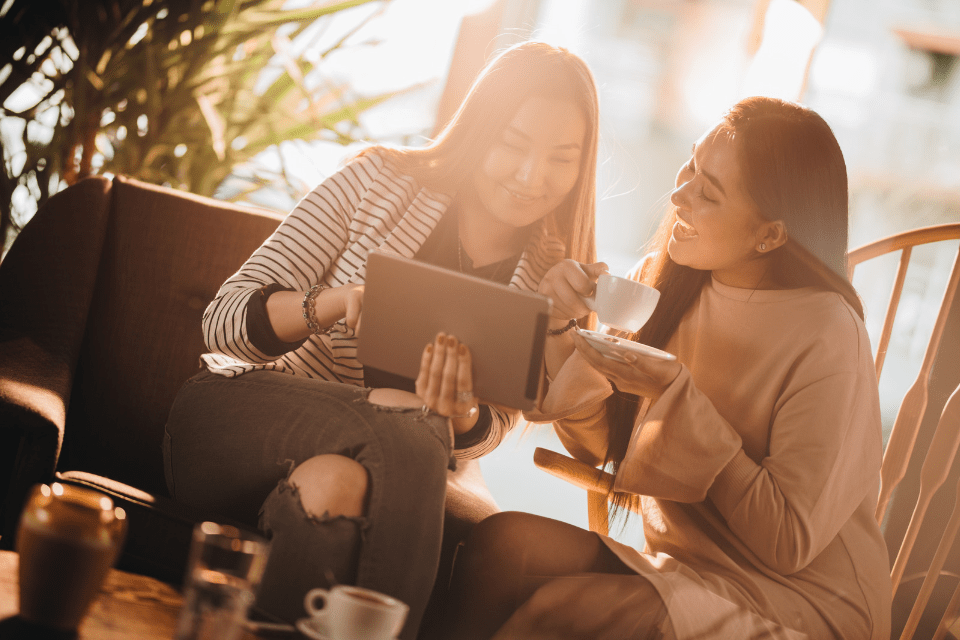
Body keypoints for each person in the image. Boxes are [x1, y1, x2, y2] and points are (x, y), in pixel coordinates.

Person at [162, 41, 600, 638]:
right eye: (513, 143)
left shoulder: (552, 277)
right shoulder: (378, 182)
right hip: (232, 424)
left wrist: (460, 411)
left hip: (349, 476)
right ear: (479, 129)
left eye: (561, 158)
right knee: (408, 424)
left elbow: (492, 425)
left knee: (341, 482)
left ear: (583, 166)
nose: (532, 176)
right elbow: (223, 321)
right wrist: (330, 305)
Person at [440, 96, 891, 640]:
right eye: (691, 167)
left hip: (804, 608)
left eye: (708, 192)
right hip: (683, 573)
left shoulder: (828, 332)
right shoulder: (666, 282)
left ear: (768, 235)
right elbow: (604, 447)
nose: (679, 195)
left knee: (563, 611)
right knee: (500, 546)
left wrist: (680, 400)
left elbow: (788, 541)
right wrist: (562, 328)